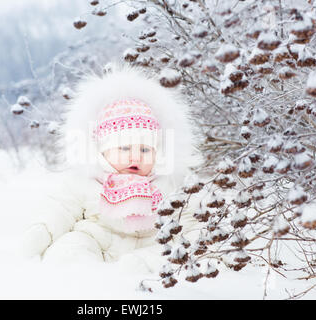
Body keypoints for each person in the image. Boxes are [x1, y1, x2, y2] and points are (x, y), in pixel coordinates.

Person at [22, 62, 204, 273]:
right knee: (70, 247)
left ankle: (138, 272)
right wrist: (43, 229)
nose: (135, 156)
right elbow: (61, 207)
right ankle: (79, 276)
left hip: (152, 244)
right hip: (96, 237)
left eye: (145, 150)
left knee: (170, 253)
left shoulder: (170, 181)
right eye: (124, 148)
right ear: (102, 151)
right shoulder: (87, 180)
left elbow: (193, 220)